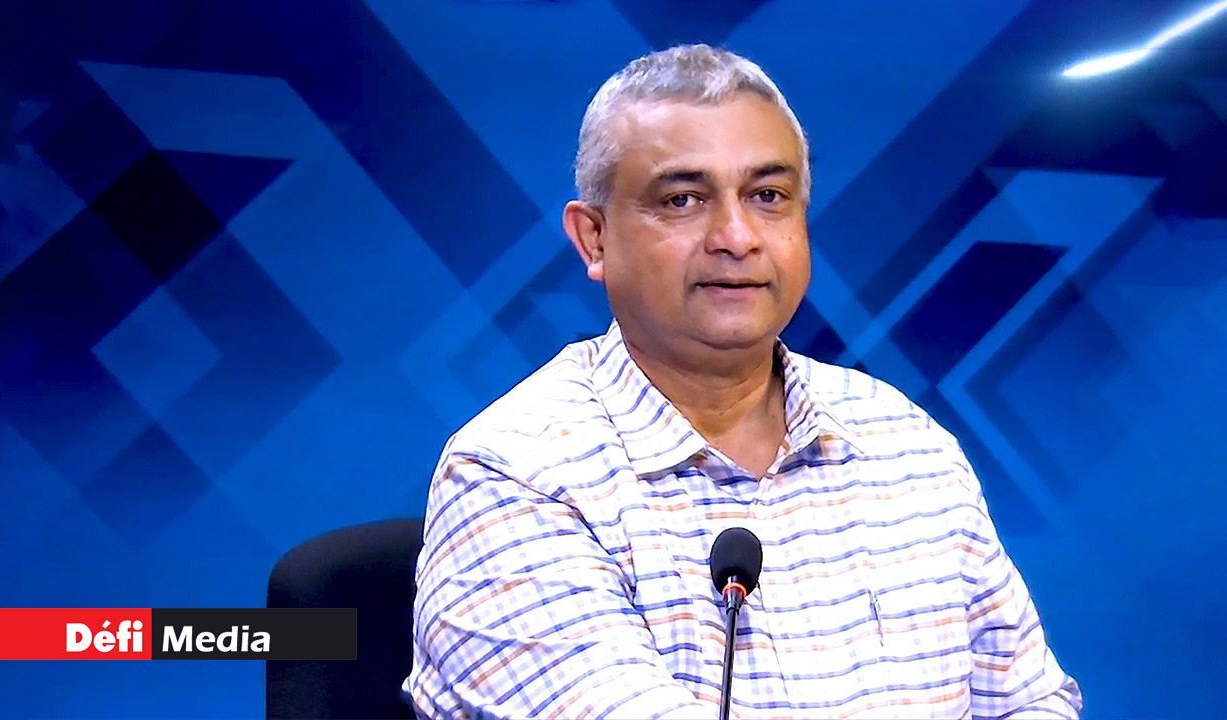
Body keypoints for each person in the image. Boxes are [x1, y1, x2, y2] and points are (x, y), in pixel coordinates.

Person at [403, 44, 1081, 719]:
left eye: (767, 197)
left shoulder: (905, 442)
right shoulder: (513, 474)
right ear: (595, 239)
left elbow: (1030, 703)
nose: (736, 236)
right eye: (682, 199)